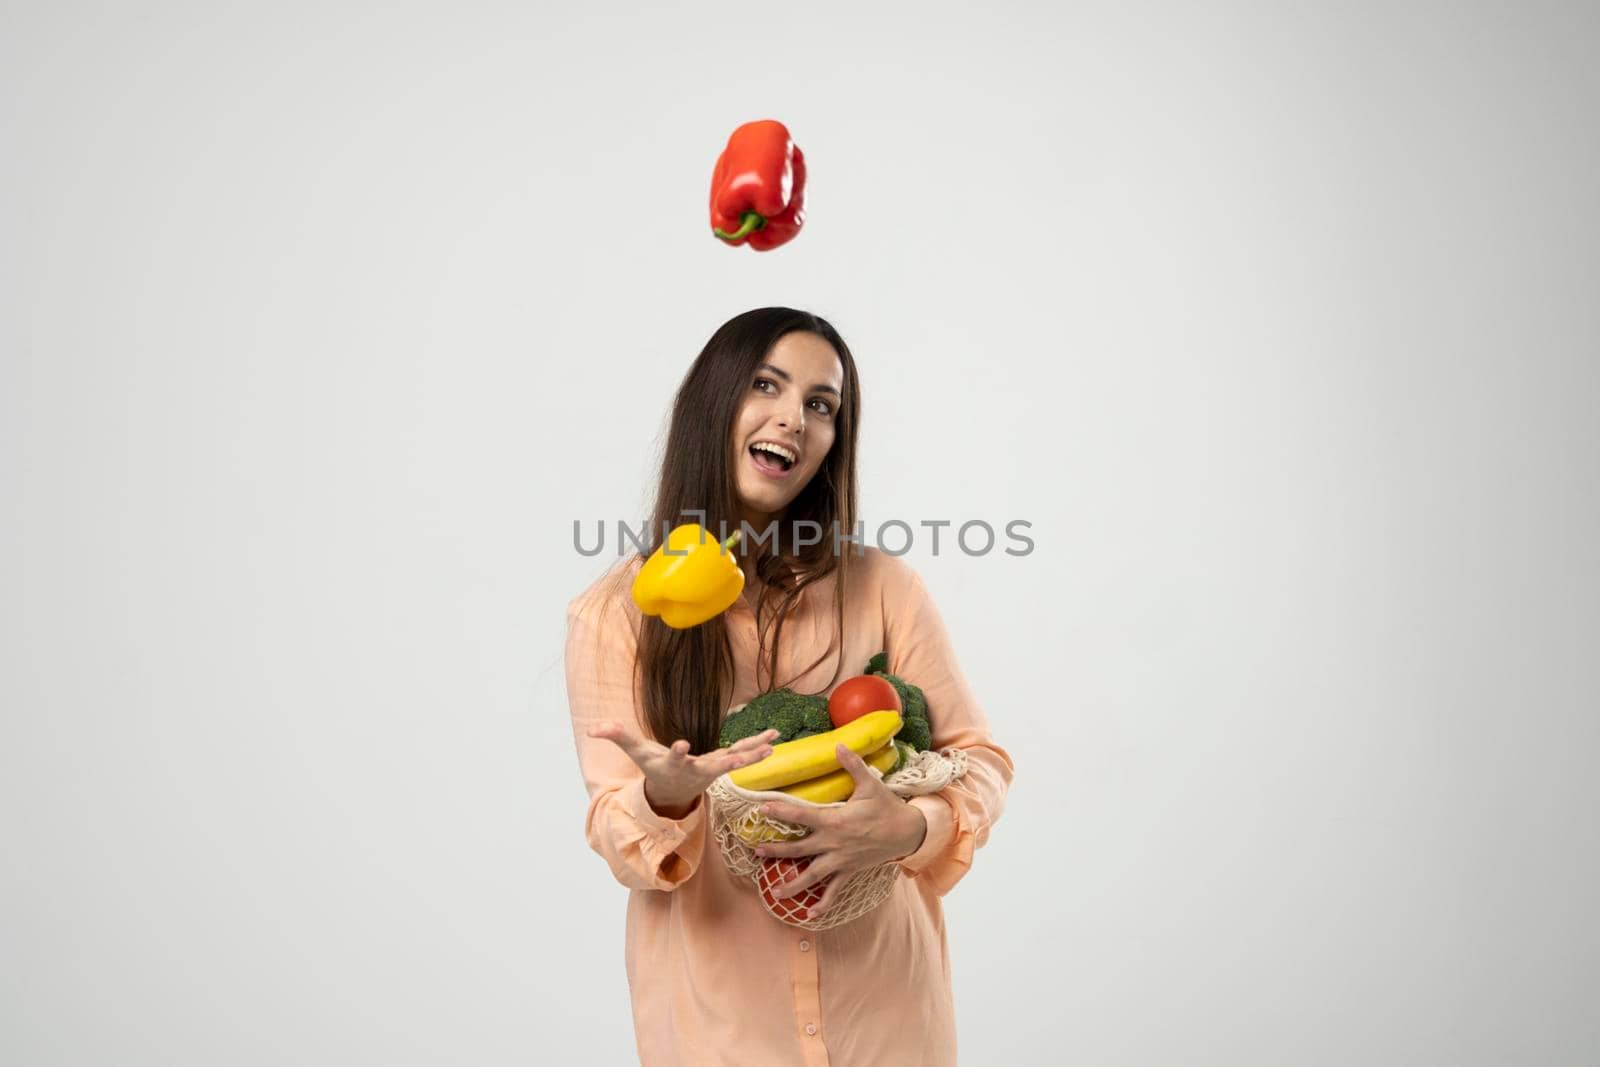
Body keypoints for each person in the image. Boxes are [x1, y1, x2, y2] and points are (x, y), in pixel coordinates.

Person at [565, 306, 1015, 1067]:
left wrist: (909, 829)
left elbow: (980, 758)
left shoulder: (884, 586)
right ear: (715, 405)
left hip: (887, 1012)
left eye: (821, 405)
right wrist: (665, 795)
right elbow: (619, 829)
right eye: (766, 385)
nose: (794, 419)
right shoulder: (617, 613)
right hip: (721, 1027)